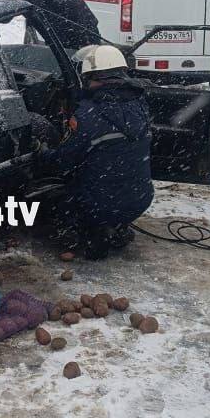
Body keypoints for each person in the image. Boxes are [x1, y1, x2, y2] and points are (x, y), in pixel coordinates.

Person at [33, 45, 153, 259]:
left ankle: (86, 235)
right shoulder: (140, 104)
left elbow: (62, 162)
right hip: (141, 199)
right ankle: (116, 226)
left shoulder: (87, 114)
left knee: (54, 196)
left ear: (92, 77)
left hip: (100, 204)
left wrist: (41, 152)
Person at [5, 0, 102, 51]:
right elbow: (39, 23)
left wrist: (84, 40)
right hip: (62, 40)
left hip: (83, 36)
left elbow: (76, 12)